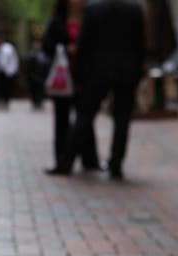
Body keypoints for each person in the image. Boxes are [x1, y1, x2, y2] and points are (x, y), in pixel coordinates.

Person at [53, 0, 146, 179]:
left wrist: (79, 76)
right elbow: (140, 44)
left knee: (84, 116)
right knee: (122, 120)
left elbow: (83, 44)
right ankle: (116, 165)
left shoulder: (93, 9)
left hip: (97, 71)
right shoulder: (134, 9)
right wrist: (138, 71)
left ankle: (66, 163)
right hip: (126, 72)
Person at [42, 0, 100, 174]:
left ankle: (90, 159)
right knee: (62, 119)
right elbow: (47, 47)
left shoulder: (90, 17)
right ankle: (61, 160)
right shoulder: (57, 22)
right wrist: (66, 49)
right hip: (63, 78)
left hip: (84, 77)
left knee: (85, 119)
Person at [0, 39, 19, 110]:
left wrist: (13, 70)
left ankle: (6, 101)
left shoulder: (8, 48)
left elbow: (13, 60)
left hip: (7, 71)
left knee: (6, 87)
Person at [25, 39, 50, 110]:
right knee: (34, 91)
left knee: (40, 90)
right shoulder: (31, 55)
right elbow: (28, 68)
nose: (37, 46)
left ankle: (40, 102)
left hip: (42, 76)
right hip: (33, 76)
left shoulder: (43, 55)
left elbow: (46, 66)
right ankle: (35, 102)